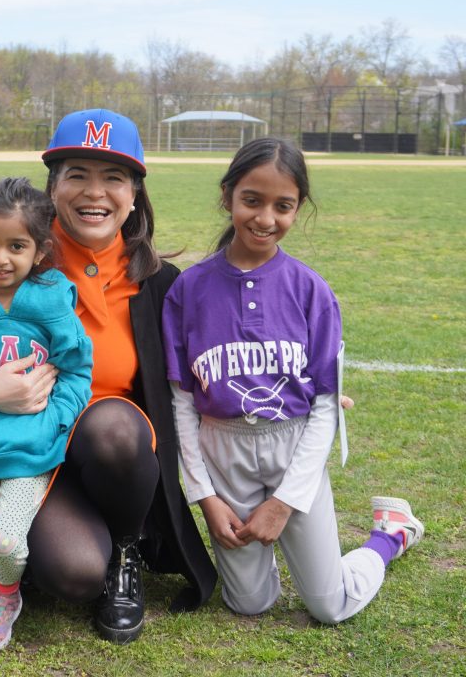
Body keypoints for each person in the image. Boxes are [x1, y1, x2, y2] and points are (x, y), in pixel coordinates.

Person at [0, 109, 217, 645]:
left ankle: (125, 548)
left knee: (111, 424)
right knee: (74, 574)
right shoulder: (7, 264)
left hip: (119, 462)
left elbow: (210, 359)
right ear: (52, 189)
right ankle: (49, 555)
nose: (95, 192)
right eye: (77, 174)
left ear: (135, 194)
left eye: (113, 177)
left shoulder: (162, 283)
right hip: (27, 457)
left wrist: (300, 390)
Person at [161, 137, 424, 624]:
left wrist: (284, 504)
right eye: (252, 201)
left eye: (283, 206)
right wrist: (205, 497)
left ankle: (389, 534)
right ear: (228, 197)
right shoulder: (189, 290)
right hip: (224, 452)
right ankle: (282, 554)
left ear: (298, 208)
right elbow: (181, 403)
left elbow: (325, 406)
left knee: (330, 605)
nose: (265, 218)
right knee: (249, 603)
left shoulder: (311, 290)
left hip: (292, 448)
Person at [0, 176, 93, 652]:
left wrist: (57, 421)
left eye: (16, 246)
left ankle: (5, 596)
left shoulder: (52, 303)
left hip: (34, 449)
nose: (0, 258)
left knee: (7, 543)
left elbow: (77, 370)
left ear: (40, 250)